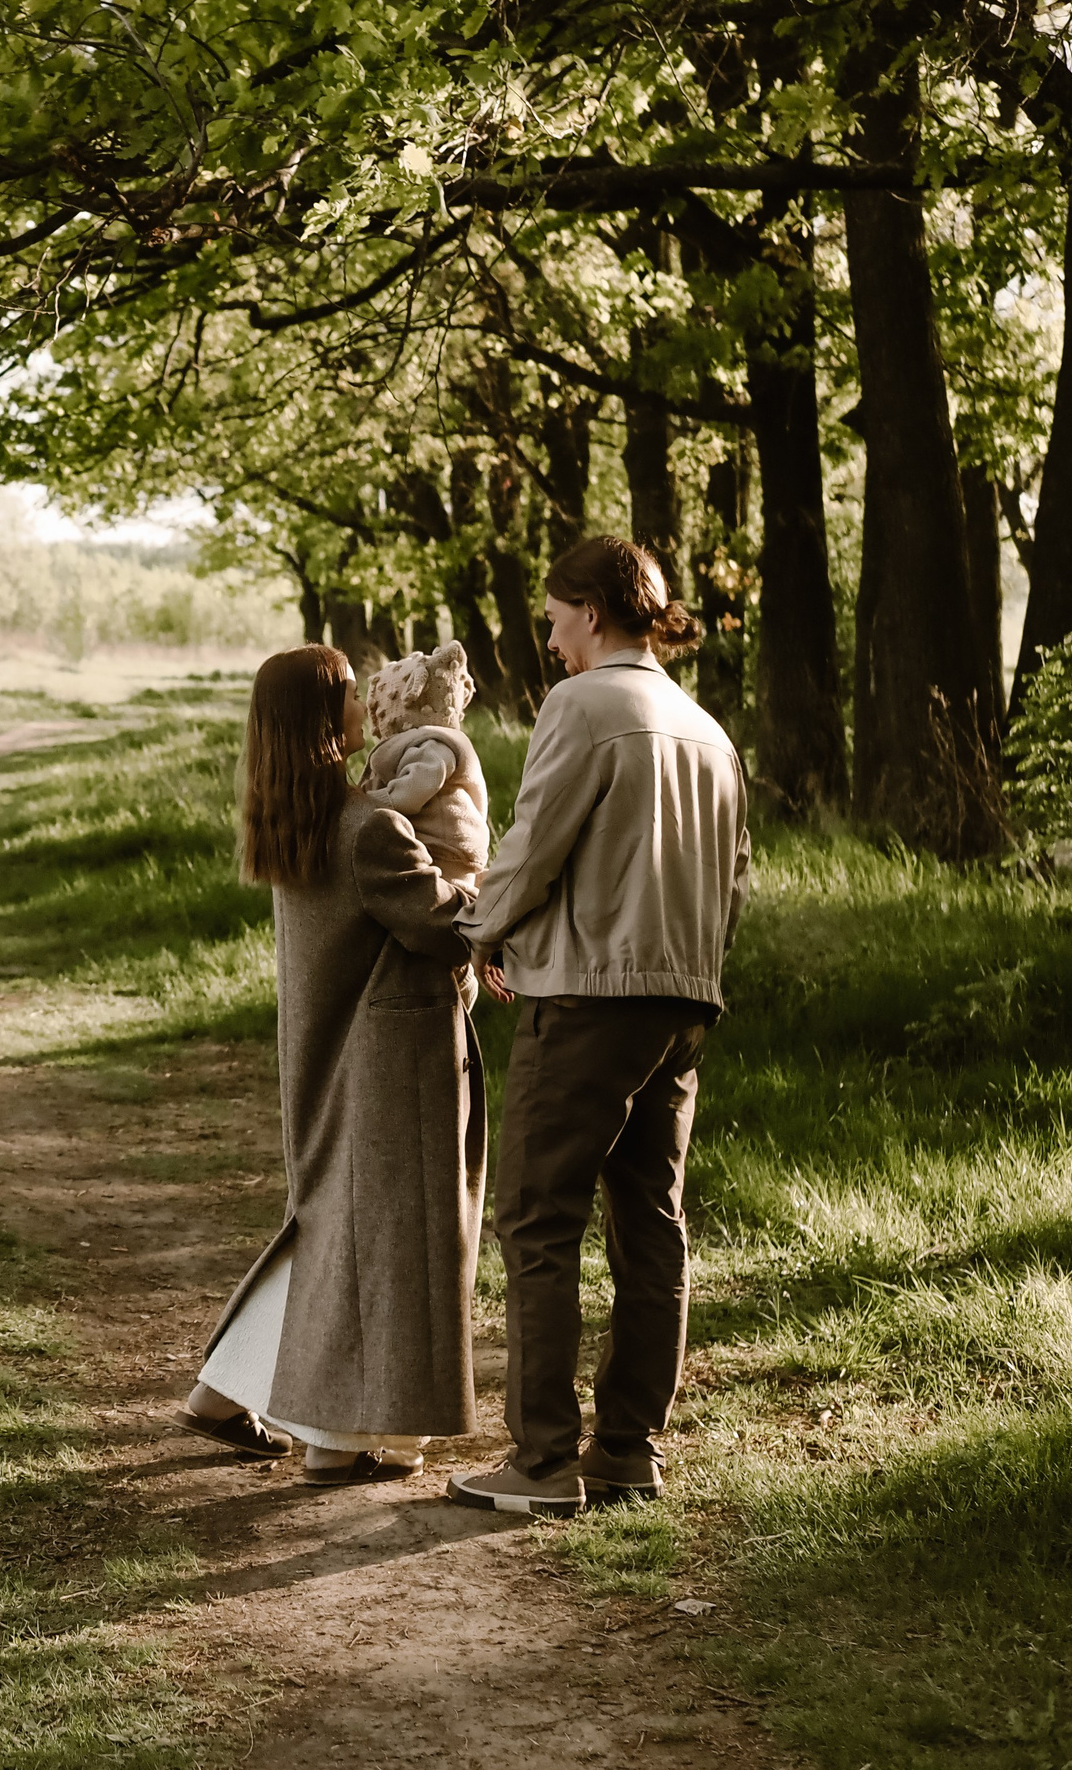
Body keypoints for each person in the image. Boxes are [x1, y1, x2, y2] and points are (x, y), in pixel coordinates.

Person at [447, 537, 751, 1519]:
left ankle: (540, 1463)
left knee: (538, 1219)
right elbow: (732, 885)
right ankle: (627, 1452)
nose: (548, 635)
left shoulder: (581, 705)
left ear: (590, 610)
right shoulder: (707, 729)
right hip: (682, 1005)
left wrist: (476, 931)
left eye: (552, 615)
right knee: (650, 1227)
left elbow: (533, 847)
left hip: (584, 1000)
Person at [179, 642, 487, 1486]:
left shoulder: (299, 819)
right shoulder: (370, 829)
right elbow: (439, 922)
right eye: (353, 693)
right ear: (325, 719)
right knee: (389, 1246)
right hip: (388, 1060)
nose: (368, 706)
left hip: (326, 1052)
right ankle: (336, 1439)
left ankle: (225, 1393)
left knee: (330, 1228)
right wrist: (492, 882)